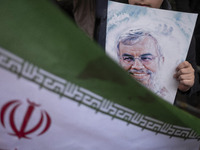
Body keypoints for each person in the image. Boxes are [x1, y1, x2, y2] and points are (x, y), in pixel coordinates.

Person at [117, 29, 170, 98]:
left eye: (146, 58)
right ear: (119, 61)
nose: (137, 66)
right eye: (128, 58)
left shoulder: (170, 98)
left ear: (161, 61)